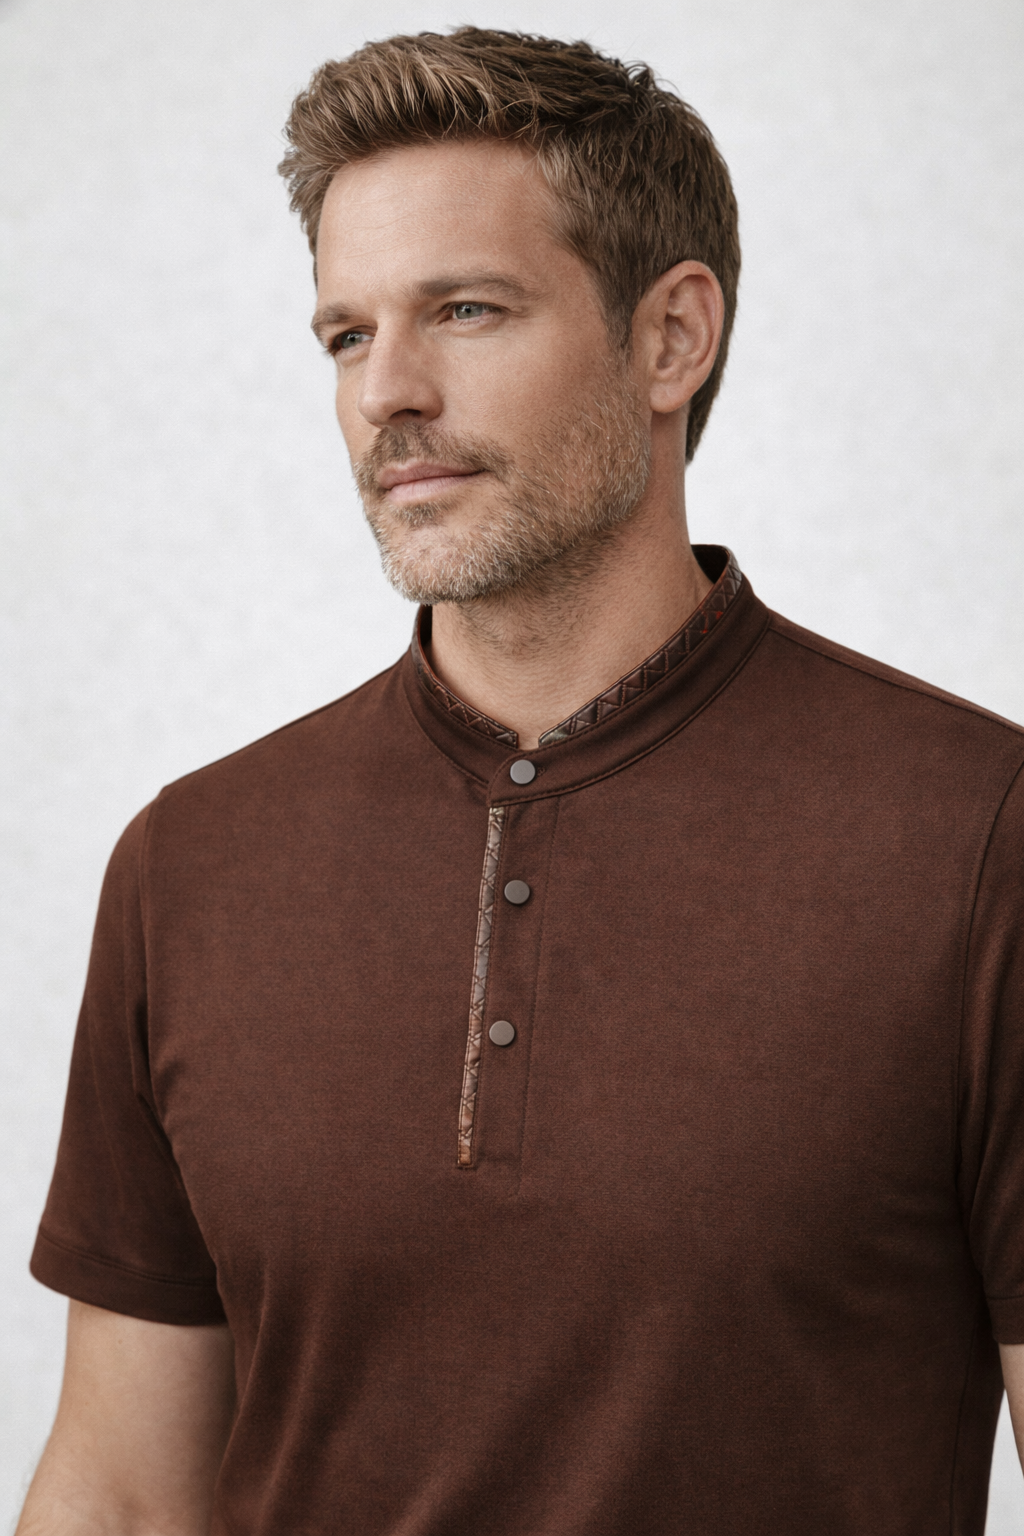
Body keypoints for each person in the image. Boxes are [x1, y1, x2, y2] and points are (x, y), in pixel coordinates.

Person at [17, 26, 1024, 1536]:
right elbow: (121, 1496)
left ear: (671, 337)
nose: (387, 391)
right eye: (346, 334)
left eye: (465, 311)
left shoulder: (976, 836)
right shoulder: (192, 862)